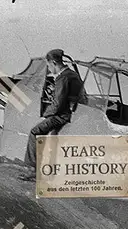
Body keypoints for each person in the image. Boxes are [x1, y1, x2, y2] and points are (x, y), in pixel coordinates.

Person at [19, 49, 85, 181]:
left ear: (54, 63)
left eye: (49, 66)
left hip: (62, 115)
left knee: (34, 132)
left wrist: (45, 114)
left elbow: (58, 103)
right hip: (73, 113)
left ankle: (32, 170)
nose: (49, 69)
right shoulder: (72, 74)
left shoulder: (63, 78)